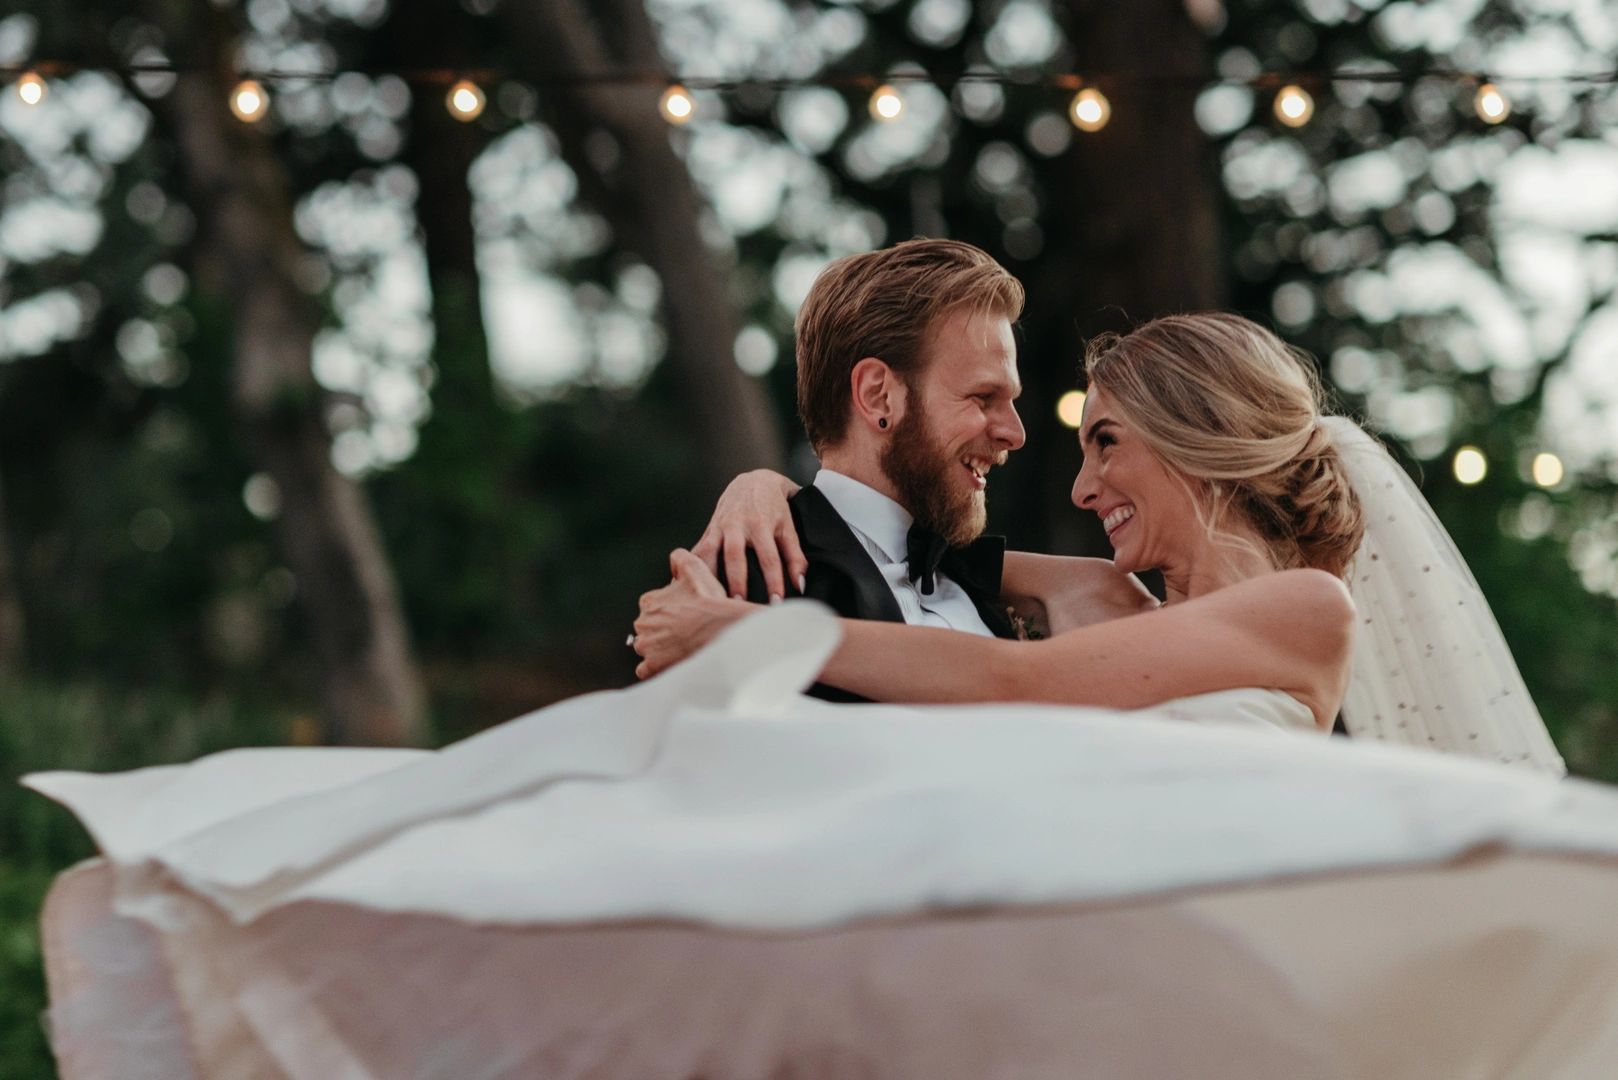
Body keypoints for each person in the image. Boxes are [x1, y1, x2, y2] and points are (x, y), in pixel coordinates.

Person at [635, 312, 1567, 771]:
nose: (1082, 488)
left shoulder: (1310, 610)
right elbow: (901, 543)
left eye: (1106, 443)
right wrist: (766, 490)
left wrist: (743, 638)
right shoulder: (1106, 601)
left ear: (1198, 438)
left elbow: (1016, 684)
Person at [683, 237, 1154, 701]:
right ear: (878, 396)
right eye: (984, 398)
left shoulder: (993, 584)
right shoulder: (747, 585)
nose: (1015, 433)